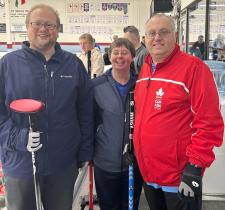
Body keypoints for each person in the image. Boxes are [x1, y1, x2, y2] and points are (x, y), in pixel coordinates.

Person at [0, 4, 93, 210]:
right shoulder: (7, 65)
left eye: (50, 24)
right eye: (37, 24)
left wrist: (85, 151)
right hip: (20, 163)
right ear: (27, 27)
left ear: (58, 29)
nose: (43, 29)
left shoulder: (73, 65)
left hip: (63, 163)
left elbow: (85, 111)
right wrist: (18, 137)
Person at [133, 14, 224, 210]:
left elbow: (209, 124)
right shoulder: (145, 70)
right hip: (150, 175)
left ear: (175, 35)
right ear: (144, 39)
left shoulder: (194, 69)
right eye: (151, 33)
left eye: (163, 32)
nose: (157, 37)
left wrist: (194, 168)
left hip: (179, 178)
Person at [93, 38, 143, 210]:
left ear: (132, 56)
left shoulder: (142, 84)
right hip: (105, 161)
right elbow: (90, 121)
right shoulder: (97, 85)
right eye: (115, 52)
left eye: (124, 52)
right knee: (109, 206)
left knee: (131, 205)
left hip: (135, 161)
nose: (120, 57)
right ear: (109, 56)